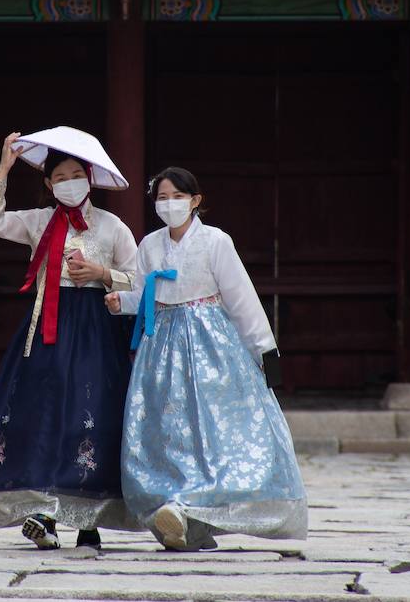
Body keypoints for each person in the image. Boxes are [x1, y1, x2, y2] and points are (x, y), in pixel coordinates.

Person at [106, 166, 306, 551]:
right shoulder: (149, 244)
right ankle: (180, 517)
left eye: (177, 197)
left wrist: (265, 348)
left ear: (195, 201)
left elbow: (240, 297)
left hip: (211, 344)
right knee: (167, 435)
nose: (169, 204)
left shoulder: (216, 241)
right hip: (161, 347)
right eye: (162, 198)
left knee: (215, 432)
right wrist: (121, 303)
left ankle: (204, 508)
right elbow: (147, 293)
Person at [0, 130, 139, 550]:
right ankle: (46, 512)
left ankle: (89, 523)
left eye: (77, 174)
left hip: (96, 331)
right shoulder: (39, 222)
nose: (69, 182)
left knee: (91, 415)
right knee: (44, 414)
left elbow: (140, 280)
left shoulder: (114, 228)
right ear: (49, 184)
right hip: (47, 330)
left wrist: (101, 274)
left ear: (91, 177)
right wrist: (2, 171)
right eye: (60, 177)